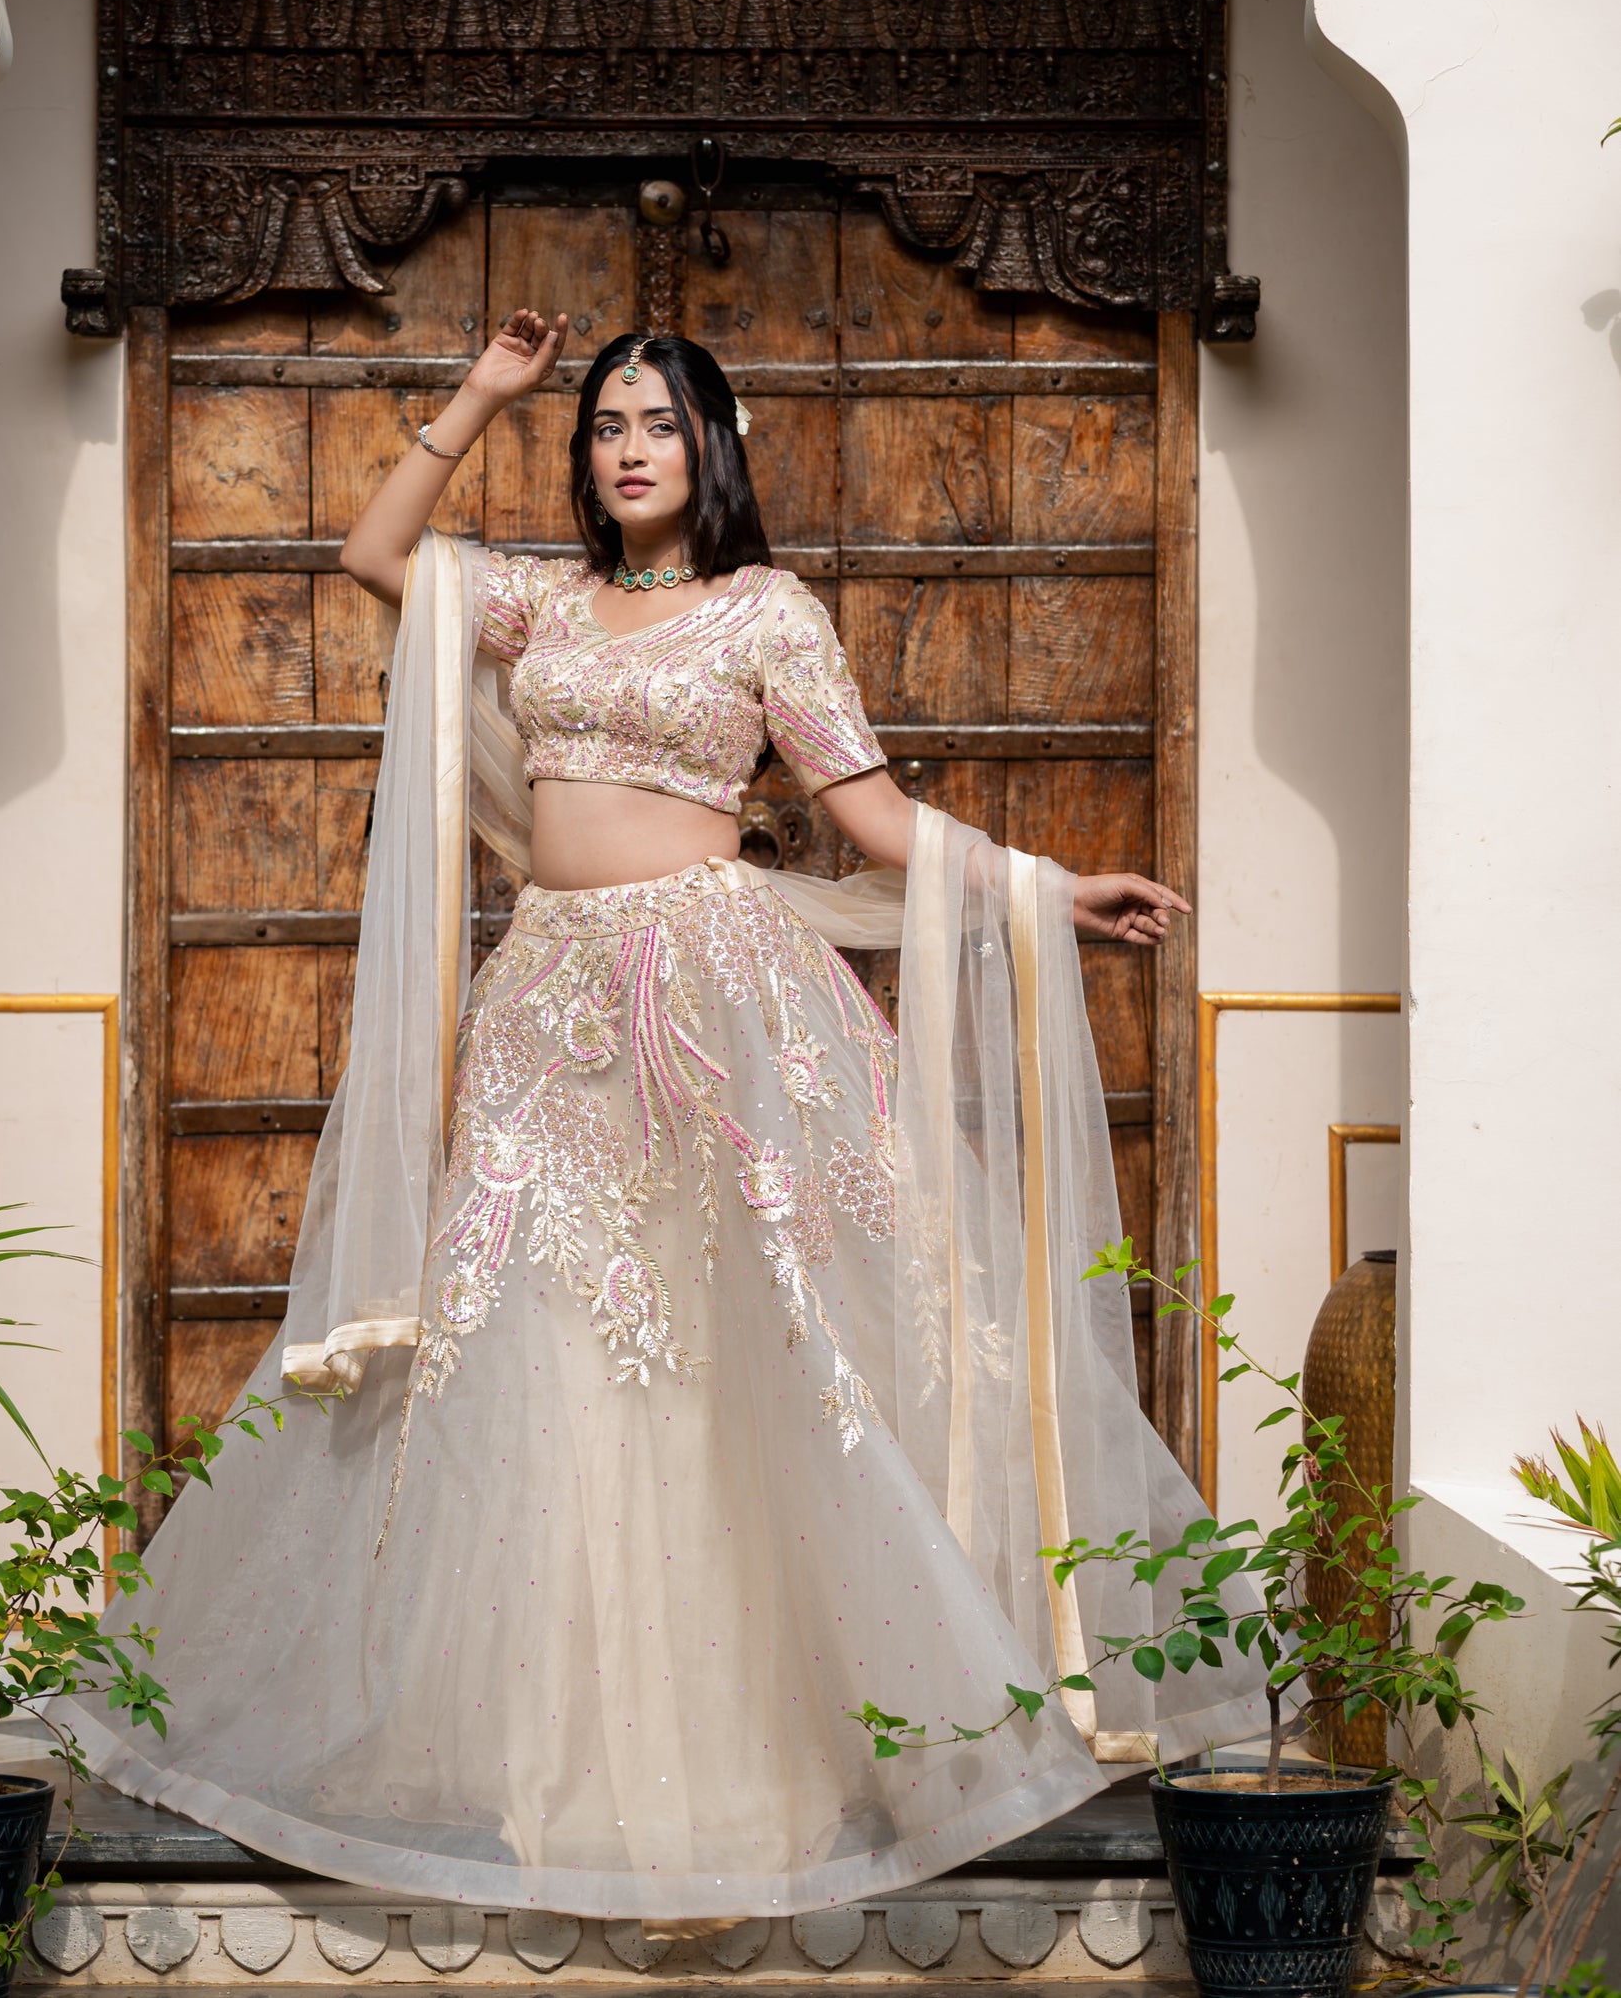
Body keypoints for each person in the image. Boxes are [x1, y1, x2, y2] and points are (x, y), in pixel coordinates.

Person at [70, 312, 1260, 1922]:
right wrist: (482, 393)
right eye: (605, 424)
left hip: (714, 1001)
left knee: (744, 1357)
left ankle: (755, 1760)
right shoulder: (541, 601)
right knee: (534, 1350)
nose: (628, 445)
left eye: (659, 421)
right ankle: (546, 1756)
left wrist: (1052, 890)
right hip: (547, 1004)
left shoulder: (767, 611)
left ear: (715, 447)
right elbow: (372, 549)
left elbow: (873, 822)